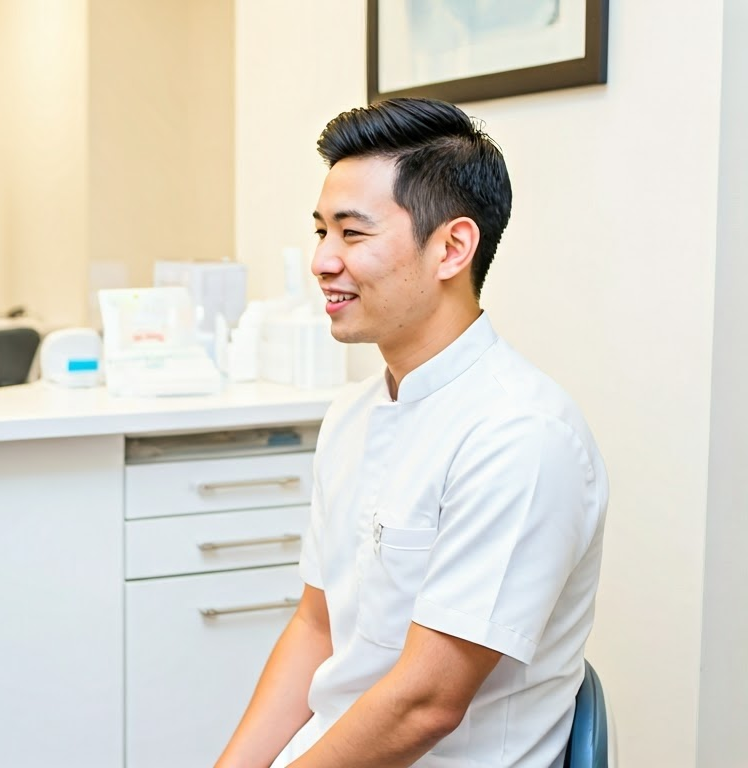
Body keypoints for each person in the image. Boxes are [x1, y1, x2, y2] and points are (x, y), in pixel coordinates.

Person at [215, 97, 609, 767]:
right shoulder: (352, 414)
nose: (322, 261)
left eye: (352, 233)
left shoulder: (520, 436)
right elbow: (317, 626)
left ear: (452, 247)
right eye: (321, 232)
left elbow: (425, 704)